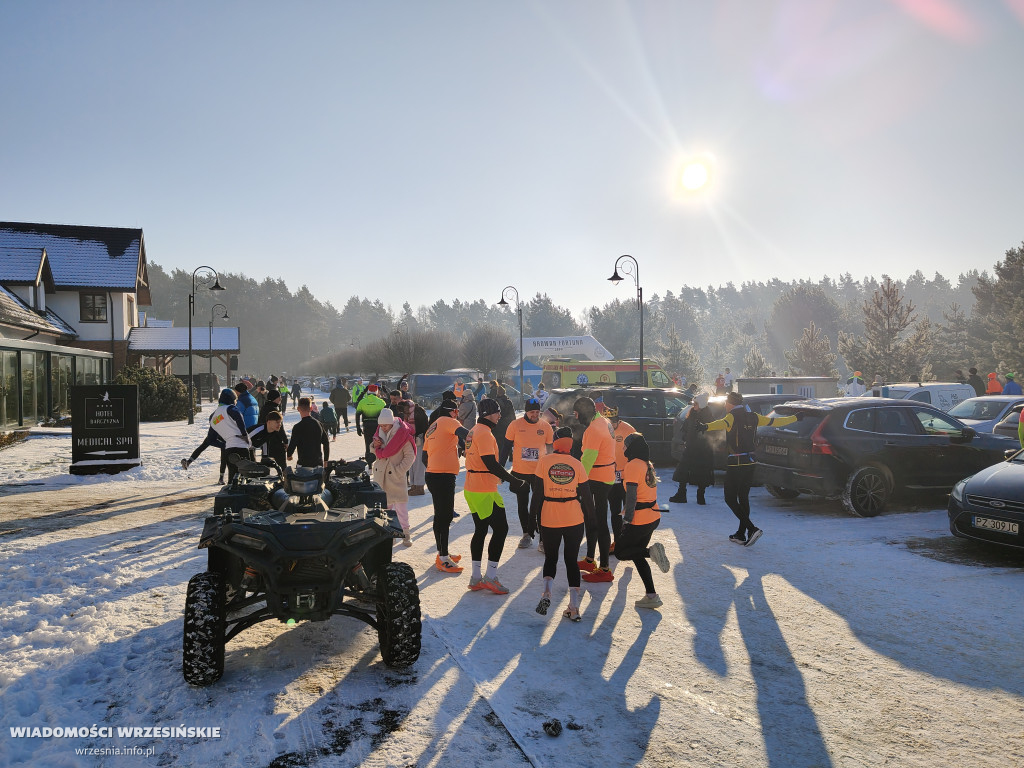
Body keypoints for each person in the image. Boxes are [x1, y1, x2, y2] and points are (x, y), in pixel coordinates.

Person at [700, 391, 798, 546]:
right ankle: (741, 534)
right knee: (743, 497)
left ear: (731, 403)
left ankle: (751, 528)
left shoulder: (731, 416)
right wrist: (795, 418)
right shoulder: (754, 416)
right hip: (751, 461)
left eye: (726, 402)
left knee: (730, 498)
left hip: (736, 462)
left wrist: (705, 426)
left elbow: (721, 424)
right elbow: (774, 422)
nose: (725, 405)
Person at [530, 426, 596, 622]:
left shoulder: (544, 461)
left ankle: (546, 594)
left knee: (550, 558)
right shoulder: (577, 464)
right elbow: (587, 496)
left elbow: (537, 494)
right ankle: (574, 607)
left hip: (549, 517)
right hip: (574, 518)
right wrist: (592, 521)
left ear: (556, 442)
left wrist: (531, 519)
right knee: (571, 560)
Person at [463, 398, 527, 594]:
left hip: (472, 487)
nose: (500, 415)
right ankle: (490, 577)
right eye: (497, 412)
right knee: (501, 529)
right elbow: (490, 463)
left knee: (481, 529)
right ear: (488, 414)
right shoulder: (484, 433)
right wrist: (512, 480)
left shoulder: (474, 430)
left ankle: (476, 578)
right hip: (483, 489)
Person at [612, 433, 671, 609]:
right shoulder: (647, 464)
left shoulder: (632, 465)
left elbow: (631, 496)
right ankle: (652, 595)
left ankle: (651, 552)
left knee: (621, 553)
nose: (622, 449)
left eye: (625, 446)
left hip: (640, 519)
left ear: (631, 448)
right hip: (653, 516)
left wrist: (627, 520)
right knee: (636, 554)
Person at [574, 396, 617, 583]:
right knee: (591, 518)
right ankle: (590, 560)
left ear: (583, 412)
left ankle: (605, 568)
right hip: (604, 475)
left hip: (597, 479)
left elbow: (587, 461)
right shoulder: (603, 420)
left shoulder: (594, 429)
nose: (576, 418)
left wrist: (575, 484)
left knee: (599, 521)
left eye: (576, 414)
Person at [422, 401, 469, 572]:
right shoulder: (449, 421)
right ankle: (443, 557)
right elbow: (467, 434)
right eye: (456, 411)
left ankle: (443, 552)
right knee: (445, 515)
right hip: (442, 476)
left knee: (441, 514)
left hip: (434, 474)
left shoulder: (432, 426)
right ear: (451, 412)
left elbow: (424, 457)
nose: (457, 414)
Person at [506, 397, 554, 549]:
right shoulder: (515, 425)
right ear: (526, 412)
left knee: (540, 504)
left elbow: (551, 450)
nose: (535, 415)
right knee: (522, 504)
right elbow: (505, 447)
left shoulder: (546, 427)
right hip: (520, 472)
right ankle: (526, 534)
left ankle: (543, 539)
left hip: (539, 473)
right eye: (532, 412)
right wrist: (500, 469)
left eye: (537, 412)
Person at [181, 388, 253, 484]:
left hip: (228, 447)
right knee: (246, 473)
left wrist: (224, 444)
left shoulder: (213, 416)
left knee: (232, 474)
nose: (236, 402)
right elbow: (238, 417)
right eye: (235, 400)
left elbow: (210, 440)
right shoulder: (231, 408)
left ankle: (229, 490)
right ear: (231, 399)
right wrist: (244, 434)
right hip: (241, 446)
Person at [371, 408, 417, 546]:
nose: (383, 428)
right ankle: (388, 534)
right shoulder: (379, 433)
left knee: (401, 508)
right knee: (384, 508)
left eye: (385, 425)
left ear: (391, 423)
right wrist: (375, 445)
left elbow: (410, 456)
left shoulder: (402, 435)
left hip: (395, 477)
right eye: (381, 425)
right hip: (381, 476)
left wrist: (399, 471)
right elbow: (373, 449)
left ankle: (405, 534)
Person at [669, 392, 714, 504]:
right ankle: (681, 494)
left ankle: (700, 495)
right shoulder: (692, 414)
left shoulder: (708, 417)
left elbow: (712, 432)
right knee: (683, 471)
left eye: (696, 404)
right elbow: (685, 428)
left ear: (702, 404)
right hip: (690, 447)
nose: (694, 406)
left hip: (703, 449)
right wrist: (685, 439)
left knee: (702, 473)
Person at [604, 403, 636, 548]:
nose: (612, 425)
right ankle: (617, 540)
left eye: (614, 422)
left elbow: (637, 451)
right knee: (615, 510)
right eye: (609, 422)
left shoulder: (629, 430)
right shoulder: (602, 429)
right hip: (611, 476)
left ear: (618, 420)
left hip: (627, 476)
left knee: (629, 510)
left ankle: (629, 540)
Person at [287, 397, 330, 469]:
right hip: (317, 463)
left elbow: (293, 443)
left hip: (303, 463)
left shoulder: (297, 427)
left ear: (298, 409)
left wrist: (289, 455)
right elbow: (326, 442)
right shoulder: (318, 424)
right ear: (311, 408)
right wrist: (326, 460)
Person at [355, 384, 387, 467]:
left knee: (368, 444)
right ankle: (378, 463)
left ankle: (369, 465)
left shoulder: (362, 402)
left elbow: (357, 415)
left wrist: (358, 427)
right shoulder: (381, 402)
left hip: (367, 426)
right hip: (378, 427)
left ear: (368, 392)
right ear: (376, 392)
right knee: (379, 444)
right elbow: (386, 414)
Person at [408, 398, 429, 496]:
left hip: (419, 439)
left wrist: (421, 437)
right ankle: (413, 485)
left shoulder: (418, 411)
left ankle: (419, 486)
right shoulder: (409, 412)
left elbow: (425, 426)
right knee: (411, 464)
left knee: (418, 465)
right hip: (411, 440)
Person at [493, 385, 516, 466]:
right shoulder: (508, 401)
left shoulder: (495, 401)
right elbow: (512, 414)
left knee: (499, 442)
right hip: (507, 424)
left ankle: (500, 459)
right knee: (508, 440)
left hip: (498, 424)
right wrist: (514, 423)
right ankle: (510, 455)